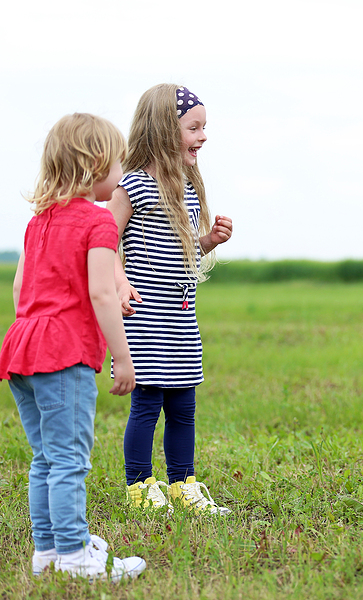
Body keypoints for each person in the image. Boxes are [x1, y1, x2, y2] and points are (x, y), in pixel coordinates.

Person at [0, 113, 147, 580]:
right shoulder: (99, 222)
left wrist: (93, 296)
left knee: (45, 458)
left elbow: (25, 287)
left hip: (23, 347)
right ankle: (76, 556)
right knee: (69, 460)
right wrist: (121, 358)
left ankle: (48, 554)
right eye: (118, 164)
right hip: (64, 354)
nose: (120, 175)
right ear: (96, 163)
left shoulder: (38, 221)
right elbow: (102, 293)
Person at [107, 84, 233, 515]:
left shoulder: (188, 190)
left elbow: (181, 253)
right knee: (147, 405)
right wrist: (120, 282)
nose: (202, 136)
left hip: (180, 318)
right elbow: (104, 242)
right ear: (163, 129)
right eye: (193, 127)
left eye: (204, 128)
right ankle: (140, 485)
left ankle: (184, 484)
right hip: (142, 317)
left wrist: (209, 241)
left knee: (184, 405)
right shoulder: (133, 186)